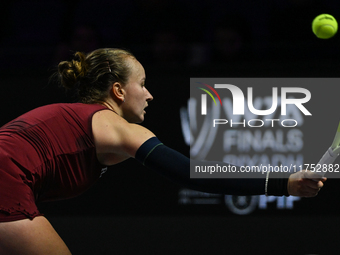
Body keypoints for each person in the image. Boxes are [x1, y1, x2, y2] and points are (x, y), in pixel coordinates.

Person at [0, 48, 326, 254]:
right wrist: (284, 183)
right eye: (141, 84)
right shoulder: (114, 126)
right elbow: (190, 172)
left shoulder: (83, 125)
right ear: (117, 90)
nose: (150, 94)